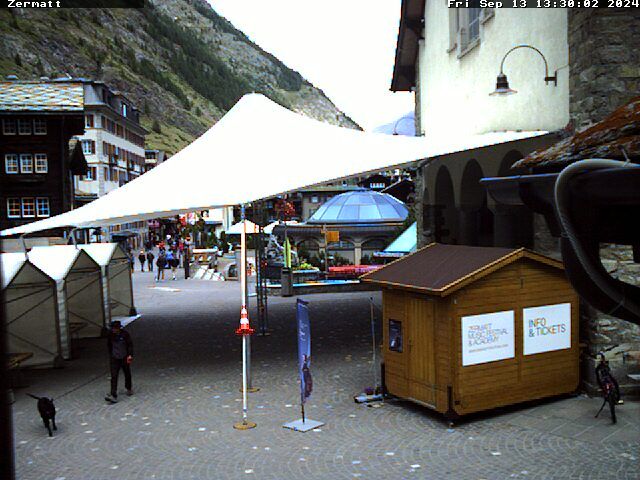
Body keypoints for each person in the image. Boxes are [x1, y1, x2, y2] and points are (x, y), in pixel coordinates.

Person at [105, 321, 133, 403]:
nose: (114, 330)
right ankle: (113, 394)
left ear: (119, 328)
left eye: (115, 328)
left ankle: (128, 388)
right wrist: (111, 355)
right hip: (114, 358)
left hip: (124, 356)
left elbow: (130, 345)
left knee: (127, 372)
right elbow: (109, 345)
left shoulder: (125, 334)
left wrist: (130, 355)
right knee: (114, 376)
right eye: (113, 328)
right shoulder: (110, 335)